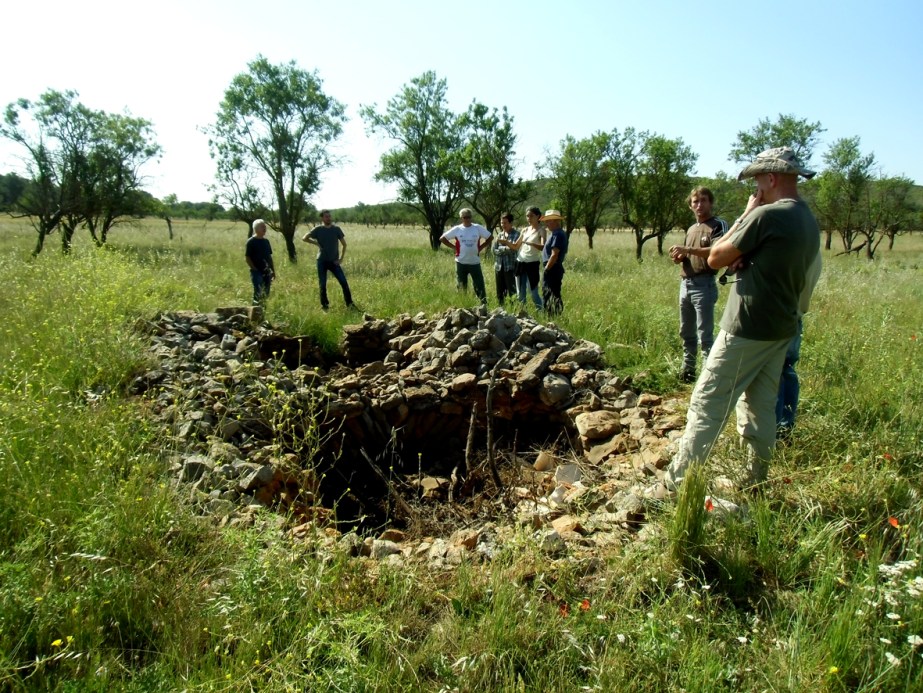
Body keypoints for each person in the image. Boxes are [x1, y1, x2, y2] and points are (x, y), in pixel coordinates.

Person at [663, 147, 821, 492]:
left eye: (758, 181)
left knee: (707, 401)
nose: (756, 189)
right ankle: (753, 480)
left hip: (746, 326)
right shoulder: (806, 218)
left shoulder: (767, 215)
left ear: (771, 178)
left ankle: (675, 485)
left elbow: (717, 257)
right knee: (759, 406)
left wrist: (747, 213)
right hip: (781, 327)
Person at [669, 188, 729, 383]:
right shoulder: (691, 228)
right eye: (695, 201)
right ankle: (688, 371)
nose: (699, 205)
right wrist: (681, 257)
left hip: (704, 284)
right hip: (686, 283)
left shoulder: (717, 225)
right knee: (686, 332)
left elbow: (718, 251)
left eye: (703, 200)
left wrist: (687, 249)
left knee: (705, 334)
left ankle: (708, 376)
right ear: (690, 206)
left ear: (711, 203)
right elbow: (691, 254)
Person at [776, 251, 822, 438]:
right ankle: (785, 426)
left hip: (778, 318)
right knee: (787, 369)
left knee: (774, 373)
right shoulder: (813, 249)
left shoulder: (790, 245)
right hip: (796, 316)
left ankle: (774, 430)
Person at [302, 209, 354, 311]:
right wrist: (316, 243)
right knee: (322, 284)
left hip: (334, 262)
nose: (329, 218)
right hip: (321, 261)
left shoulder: (336, 229)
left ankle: (350, 304)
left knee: (344, 283)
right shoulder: (318, 229)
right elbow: (304, 238)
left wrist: (341, 259)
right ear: (322, 218)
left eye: (329, 216)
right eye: (326, 217)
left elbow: (344, 244)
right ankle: (325, 306)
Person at [440, 208, 492, 305]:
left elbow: (490, 237)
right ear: (461, 218)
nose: (467, 219)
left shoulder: (477, 228)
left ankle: (483, 305)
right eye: (465, 217)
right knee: (461, 286)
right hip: (461, 262)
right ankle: (462, 305)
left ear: (471, 217)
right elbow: (442, 238)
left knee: (479, 285)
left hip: (475, 262)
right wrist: (454, 247)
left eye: (469, 217)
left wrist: (481, 247)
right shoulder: (457, 229)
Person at [500, 206, 544, 310]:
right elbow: (515, 246)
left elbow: (542, 246)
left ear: (538, 216)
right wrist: (506, 242)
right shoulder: (525, 230)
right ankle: (522, 314)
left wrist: (531, 243)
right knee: (520, 294)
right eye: (527, 216)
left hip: (532, 264)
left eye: (531, 216)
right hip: (520, 262)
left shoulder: (541, 231)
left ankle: (541, 312)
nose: (529, 218)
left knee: (533, 293)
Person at [540, 209, 568, 315]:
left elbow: (554, 254)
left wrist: (547, 268)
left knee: (550, 294)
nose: (547, 223)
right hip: (553, 267)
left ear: (556, 221)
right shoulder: (555, 233)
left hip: (552, 268)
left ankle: (552, 316)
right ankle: (553, 316)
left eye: (549, 221)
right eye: (546, 221)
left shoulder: (557, 234)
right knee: (552, 293)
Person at [245, 218, 275, 305]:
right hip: (257, 272)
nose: (265, 229)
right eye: (262, 227)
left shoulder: (266, 241)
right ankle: (255, 310)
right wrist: (254, 269)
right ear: (256, 229)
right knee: (258, 293)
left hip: (267, 271)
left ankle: (263, 310)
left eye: (265, 227)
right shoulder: (251, 242)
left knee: (266, 293)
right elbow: (247, 258)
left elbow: (269, 257)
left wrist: (273, 270)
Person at [492, 212, 520, 305]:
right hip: (499, 267)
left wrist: (502, 248)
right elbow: (493, 250)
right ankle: (501, 309)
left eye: (505, 223)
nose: (503, 225)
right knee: (500, 292)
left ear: (511, 223)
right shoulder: (499, 235)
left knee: (512, 292)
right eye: (501, 223)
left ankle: (513, 310)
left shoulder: (516, 235)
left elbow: (513, 250)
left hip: (510, 267)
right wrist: (505, 248)